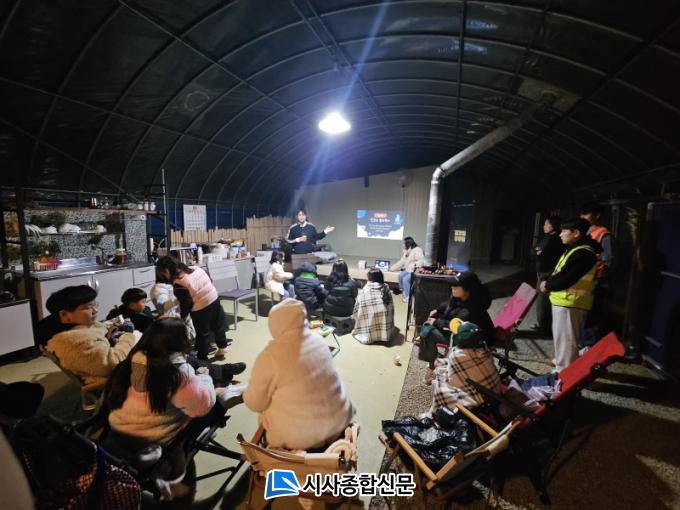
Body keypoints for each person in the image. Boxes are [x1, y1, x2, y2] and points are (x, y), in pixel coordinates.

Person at [103, 318, 222, 499]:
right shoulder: (177, 372)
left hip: (118, 429)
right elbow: (202, 406)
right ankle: (171, 478)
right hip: (154, 439)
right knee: (218, 397)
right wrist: (205, 378)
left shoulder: (132, 360)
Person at [243, 299, 354, 450]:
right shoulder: (319, 340)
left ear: (274, 325)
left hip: (304, 439)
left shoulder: (270, 356)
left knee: (265, 408)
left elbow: (254, 403)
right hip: (340, 420)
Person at [35, 285, 141, 386]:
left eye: (95, 305)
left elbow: (98, 327)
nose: (95, 310)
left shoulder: (75, 326)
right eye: (88, 307)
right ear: (64, 314)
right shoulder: (76, 342)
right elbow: (113, 362)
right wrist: (128, 334)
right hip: (119, 380)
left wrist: (114, 326)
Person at [540, 218, 598, 372]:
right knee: (563, 339)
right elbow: (560, 271)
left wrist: (548, 285)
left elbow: (567, 276)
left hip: (570, 303)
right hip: (565, 301)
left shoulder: (583, 252)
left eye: (564, 231)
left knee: (567, 341)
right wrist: (549, 281)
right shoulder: (575, 249)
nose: (560, 234)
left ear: (576, 233)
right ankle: (561, 363)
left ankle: (563, 374)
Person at [418, 271, 494, 383]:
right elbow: (449, 304)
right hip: (459, 330)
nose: (452, 287)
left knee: (427, 330)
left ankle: (432, 367)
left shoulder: (471, 310)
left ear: (468, 289)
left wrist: (436, 322)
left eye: (456, 286)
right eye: (452, 285)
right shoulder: (463, 297)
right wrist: (438, 310)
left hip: (469, 341)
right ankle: (435, 360)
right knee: (429, 325)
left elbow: (453, 326)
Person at [156, 256, 230, 361]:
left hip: (201, 307)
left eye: (162, 273)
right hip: (214, 298)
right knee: (217, 324)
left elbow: (186, 303)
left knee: (202, 334)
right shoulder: (196, 268)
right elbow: (209, 281)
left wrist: (182, 316)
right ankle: (223, 347)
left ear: (166, 270)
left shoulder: (180, 282)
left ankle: (202, 359)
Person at [428, 321, 501, 416]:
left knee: (440, 385)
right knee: (442, 369)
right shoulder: (484, 348)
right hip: (494, 390)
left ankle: (434, 414)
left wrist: (440, 369)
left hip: (482, 398)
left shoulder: (457, 355)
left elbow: (452, 381)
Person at [580, 202, 615, 347]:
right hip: (583, 280)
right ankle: (581, 343)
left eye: (586, 214)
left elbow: (609, 260)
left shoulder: (604, 235)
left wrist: (599, 278)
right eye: (581, 214)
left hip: (596, 281)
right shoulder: (584, 232)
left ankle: (588, 346)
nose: (582, 216)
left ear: (597, 215)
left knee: (591, 314)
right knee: (583, 313)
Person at [530, 217, 565, 335]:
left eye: (546, 224)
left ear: (553, 225)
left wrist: (538, 252)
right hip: (542, 272)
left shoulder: (555, 240)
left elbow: (541, 254)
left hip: (547, 273)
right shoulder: (546, 237)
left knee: (543, 300)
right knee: (542, 299)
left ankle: (544, 328)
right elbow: (533, 251)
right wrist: (537, 252)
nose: (544, 226)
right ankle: (544, 325)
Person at [351, 268, 395, 344]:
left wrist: (355, 314)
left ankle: (371, 335)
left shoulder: (366, 289)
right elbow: (391, 305)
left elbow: (358, 305)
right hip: (384, 315)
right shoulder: (386, 287)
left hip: (371, 316)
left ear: (370, 278)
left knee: (365, 311)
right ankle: (383, 335)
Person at [390, 236, 425, 302]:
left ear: (408, 243)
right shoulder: (406, 251)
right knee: (400, 275)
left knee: (405, 279)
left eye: (404, 243)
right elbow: (401, 262)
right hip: (408, 270)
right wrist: (392, 268)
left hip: (415, 270)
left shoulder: (418, 250)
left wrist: (413, 265)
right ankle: (405, 291)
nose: (403, 245)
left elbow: (421, 261)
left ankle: (408, 296)